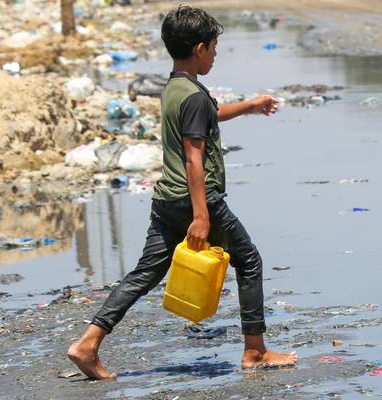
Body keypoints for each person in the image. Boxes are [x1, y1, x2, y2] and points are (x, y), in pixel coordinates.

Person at [66, 5, 298, 380]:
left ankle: (87, 344)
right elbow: (194, 158)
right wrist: (202, 216)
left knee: (145, 274)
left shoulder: (177, 87)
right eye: (215, 48)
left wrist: (250, 106)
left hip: (166, 200)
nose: (216, 55)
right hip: (196, 200)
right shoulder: (192, 95)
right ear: (200, 48)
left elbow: (209, 113)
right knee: (249, 260)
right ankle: (255, 351)